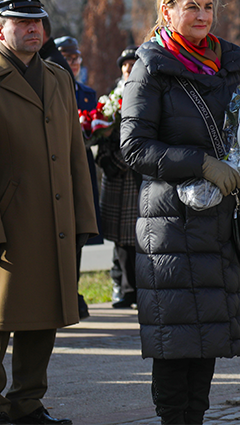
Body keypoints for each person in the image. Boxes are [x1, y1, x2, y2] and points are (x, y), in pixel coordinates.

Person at [120, 0, 240, 425]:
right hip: (172, 225)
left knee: (208, 340)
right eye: (191, 6)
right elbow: (133, 147)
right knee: (176, 341)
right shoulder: (150, 67)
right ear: (167, 10)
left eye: (209, 6)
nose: (203, 15)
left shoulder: (233, 63)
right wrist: (200, 163)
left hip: (221, 221)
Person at [0, 0, 98, 425]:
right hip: (6, 221)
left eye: (37, 22)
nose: (33, 30)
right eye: (22, 23)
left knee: (44, 315)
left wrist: (83, 219)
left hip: (53, 218)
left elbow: (75, 154)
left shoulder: (57, 77)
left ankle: (28, 401)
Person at [54, 35, 102, 319]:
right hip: (58, 165)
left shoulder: (87, 93)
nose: (71, 63)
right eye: (66, 57)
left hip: (82, 163)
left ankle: (73, 289)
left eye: (75, 58)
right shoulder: (51, 85)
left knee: (80, 228)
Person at [96, 45, 141, 309]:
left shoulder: (146, 93)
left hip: (136, 175)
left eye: (133, 63)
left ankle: (133, 288)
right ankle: (123, 288)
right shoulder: (110, 99)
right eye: (125, 65)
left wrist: (128, 159)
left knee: (134, 236)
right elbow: (101, 132)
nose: (129, 68)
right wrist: (110, 161)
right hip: (116, 177)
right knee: (120, 238)